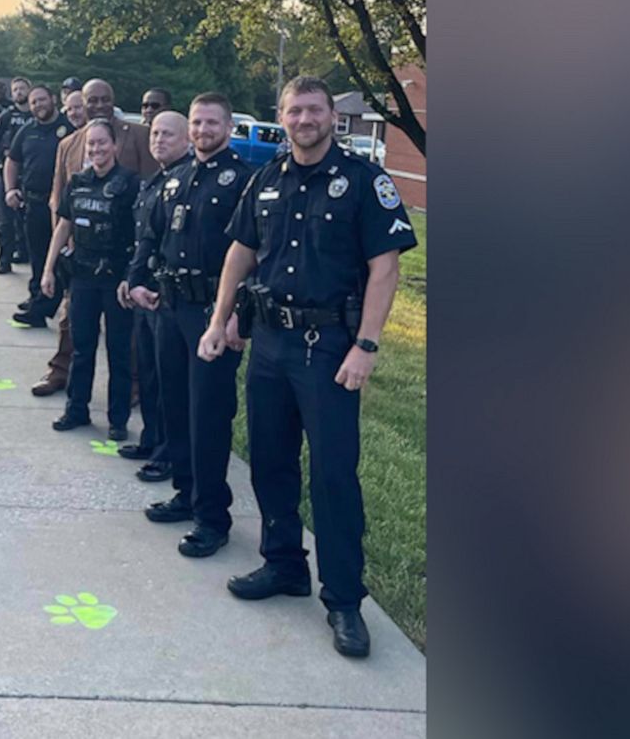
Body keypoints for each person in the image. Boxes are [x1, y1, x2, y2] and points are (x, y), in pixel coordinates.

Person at [198, 76, 417, 658]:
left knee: (333, 476)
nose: (303, 119)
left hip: (329, 350)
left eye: (314, 110)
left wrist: (366, 347)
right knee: (270, 461)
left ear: (331, 118)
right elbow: (239, 253)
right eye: (294, 110)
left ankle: (344, 600)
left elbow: (385, 267)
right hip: (268, 342)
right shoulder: (265, 179)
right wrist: (220, 321)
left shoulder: (364, 181)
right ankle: (284, 564)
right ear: (282, 115)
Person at [127, 100, 252, 554]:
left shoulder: (241, 180)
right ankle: (185, 492)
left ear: (229, 126)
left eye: (211, 122)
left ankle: (212, 516)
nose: (202, 129)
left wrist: (240, 312)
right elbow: (151, 234)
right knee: (174, 404)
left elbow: (257, 250)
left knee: (209, 416)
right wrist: (137, 280)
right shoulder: (174, 178)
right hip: (170, 307)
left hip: (211, 315)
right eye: (196, 122)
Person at [30, 79, 158, 396]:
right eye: (92, 100)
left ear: (113, 100)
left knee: (123, 330)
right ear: (81, 103)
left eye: (105, 99)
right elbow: (59, 202)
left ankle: (133, 386)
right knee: (70, 321)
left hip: (121, 257)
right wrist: (57, 255)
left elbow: (153, 194)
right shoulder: (70, 143)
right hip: (80, 256)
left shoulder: (138, 136)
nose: (98, 105)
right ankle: (61, 372)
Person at [41, 118, 139, 437]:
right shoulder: (78, 182)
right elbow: (63, 226)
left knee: (118, 350)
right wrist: (48, 269)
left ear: (114, 146)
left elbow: (140, 235)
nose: (96, 148)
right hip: (82, 277)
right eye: (91, 143)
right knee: (82, 348)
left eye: (102, 142)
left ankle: (118, 419)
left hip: (115, 279)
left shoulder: (130, 183)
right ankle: (76, 410)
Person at [113, 109, 192, 481]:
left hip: (166, 295)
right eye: (156, 134)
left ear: (187, 138)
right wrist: (132, 279)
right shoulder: (153, 181)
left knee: (165, 380)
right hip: (144, 292)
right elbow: (143, 239)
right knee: (145, 371)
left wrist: (150, 284)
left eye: (169, 135)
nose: (159, 140)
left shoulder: (187, 180)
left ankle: (166, 453)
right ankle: (150, 438)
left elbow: (174, 244)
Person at [4, 85, 73, 327]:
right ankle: (37, 297)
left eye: (42, 100)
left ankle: (42, 308)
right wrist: (10, 189)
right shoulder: (27, 130)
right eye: (33, 102)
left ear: (53, 99)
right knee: (37, 255)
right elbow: (12, 161)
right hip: (32, 203)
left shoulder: (69, 128)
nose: (38, 106)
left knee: (58, 259)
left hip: (61, 206)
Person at [0, 77, 33, 274]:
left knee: (28, 221)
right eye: (16, 89)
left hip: (31, 177)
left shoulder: (37, 115)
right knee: (6, 221)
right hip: (7, 176)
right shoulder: (6, 116)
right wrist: (5, 154)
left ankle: (23, 253)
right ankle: (4, 260)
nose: (19, 92)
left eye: (22, 89)